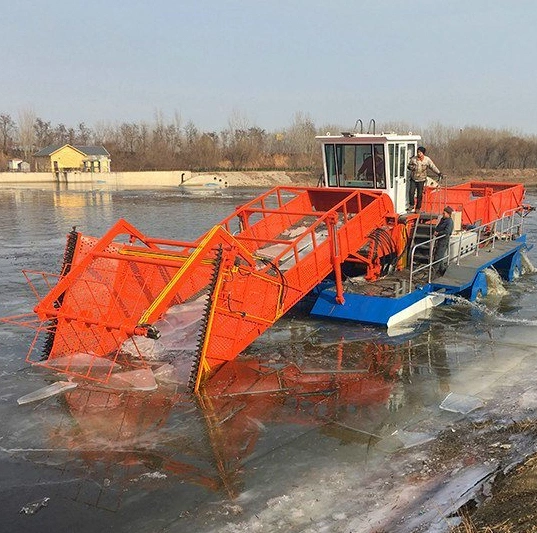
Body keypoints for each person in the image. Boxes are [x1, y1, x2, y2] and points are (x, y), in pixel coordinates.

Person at [407, 146, 443, 212]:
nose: (418, 154)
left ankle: (418, 208)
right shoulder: (413, 159)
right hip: (413, 178)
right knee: (411, 192)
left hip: (421, 179)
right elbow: (409, 166)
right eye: (418, 152)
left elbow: (433, 167)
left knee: (419, 194)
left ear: (423, 153)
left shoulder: (427, 160)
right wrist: (411, 167)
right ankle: (411, 205)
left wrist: (439, 173)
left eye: (420, 152)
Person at [433, 206, 454, 275]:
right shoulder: (443, 219)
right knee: (439, 255)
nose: (443, 214)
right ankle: (442, 270)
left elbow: (447, 232)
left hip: (444, 241)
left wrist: (438, 233)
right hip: (439, 239)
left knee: (438, 256)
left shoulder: (450, 222)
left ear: (448, 214)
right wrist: (436, 231)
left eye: (444, 213)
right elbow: (439, 226)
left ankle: (433, 273)